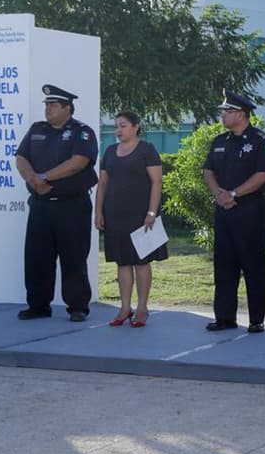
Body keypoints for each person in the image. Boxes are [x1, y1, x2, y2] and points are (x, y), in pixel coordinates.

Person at [14, 85, 98, 321]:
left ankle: (78, 307)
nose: (48, 109)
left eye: (53, 105)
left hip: (71, 206)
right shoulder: (37, 130)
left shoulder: (82, 132)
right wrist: (32, 179)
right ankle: (39, 306)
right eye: (46, 105)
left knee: (73, 257)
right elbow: (21, 157)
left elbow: (78, 163)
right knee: (37, 258)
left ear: (67, 109)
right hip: (41, 205)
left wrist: (43, 177)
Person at [201, 90, 265, 332]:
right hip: (223, 211)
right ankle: (224, 317)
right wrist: (219, 195)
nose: (222, 115)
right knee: (223, 265)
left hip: (249, 210)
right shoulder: (220, 141)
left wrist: (233, 194)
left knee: (252, 265)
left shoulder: (260, 140)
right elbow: (208, 171)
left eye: (227, 111)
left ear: (241, 114)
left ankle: (256, 319)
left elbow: (263, 174)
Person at [94, 111, 165, 328]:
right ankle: (125, 308)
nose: (118, 130)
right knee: (122, 262)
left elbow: (157, 182)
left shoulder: (147, 150)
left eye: (123, 125)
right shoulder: (110, 151)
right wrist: (98, 211)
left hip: (141, 216)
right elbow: (103, 184)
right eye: (116, 126)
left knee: (141, 262)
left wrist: (151, 213)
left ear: (135, 127)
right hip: (115, 215)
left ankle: (142, 309)